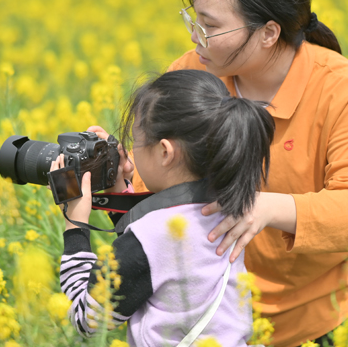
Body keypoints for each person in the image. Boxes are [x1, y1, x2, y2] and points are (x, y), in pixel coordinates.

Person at [93, 0, 348, 346]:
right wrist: (122, 186)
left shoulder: (343, 91)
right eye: (193, 20)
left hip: (322, 312)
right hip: (217, 318)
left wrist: (268, 207)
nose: (197, 37)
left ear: (269, 32)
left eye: (211, 27)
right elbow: (166, 200)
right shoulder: (191, 70)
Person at [56, 69, 276, 347]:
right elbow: (156, 257)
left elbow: (87, 319)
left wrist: (74, 222)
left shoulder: (147, 240)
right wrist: (120, 194)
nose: (132, 152)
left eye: (136, 142)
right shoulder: (230, 209)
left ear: (165, 152)